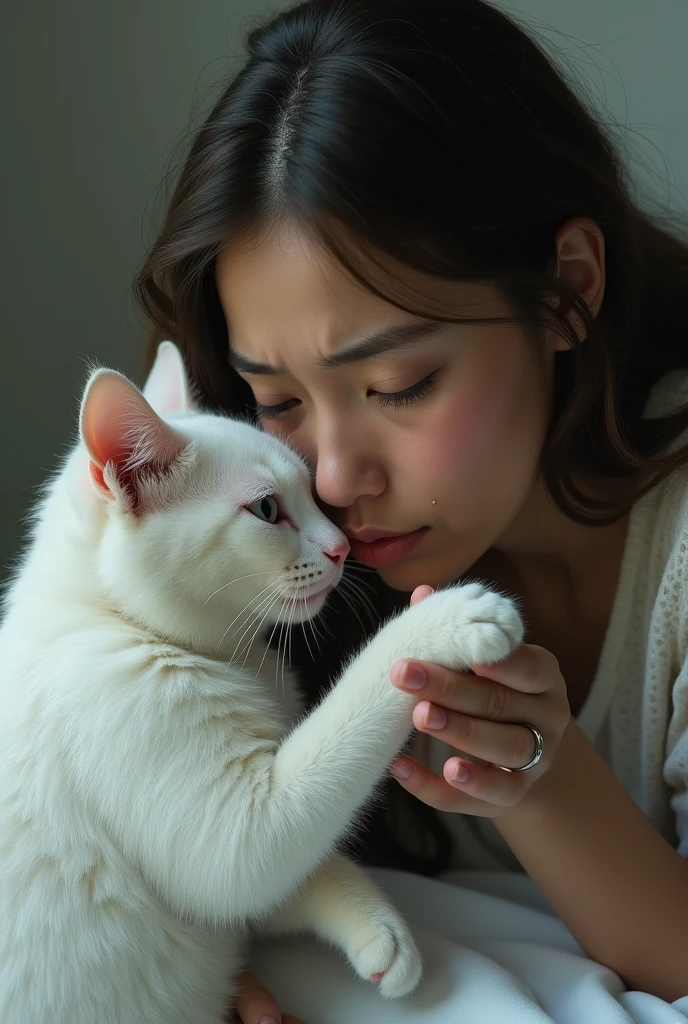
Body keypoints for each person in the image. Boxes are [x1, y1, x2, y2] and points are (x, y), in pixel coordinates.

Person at [134, 0, 688, 1019]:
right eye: (277, 400)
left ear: (566, 291)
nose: (335, 477)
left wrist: (539, 774)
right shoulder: (260, 555)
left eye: (396, 384)